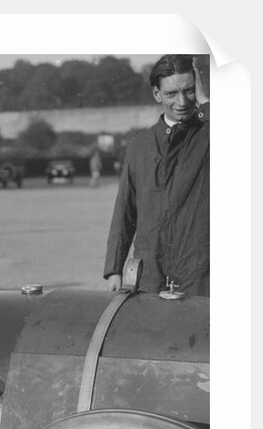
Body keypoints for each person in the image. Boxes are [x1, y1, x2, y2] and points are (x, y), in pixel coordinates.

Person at [103, 55, 209, 297]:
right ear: (156, 94)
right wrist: (114, 269)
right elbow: (125, 210)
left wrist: (206, 104)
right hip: (151, 275)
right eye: (172, 93)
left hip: (201, 276)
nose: (182, 101)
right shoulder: (139, 146)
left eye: (190, 91)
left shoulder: (211, 135)